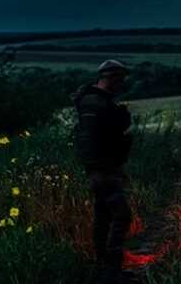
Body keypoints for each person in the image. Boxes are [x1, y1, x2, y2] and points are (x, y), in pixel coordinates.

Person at [72, 60, 133, 283]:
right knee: (121, 215)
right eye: (120, 79)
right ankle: (111, 271)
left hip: (107, 167)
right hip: (102, 170)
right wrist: (96, 170)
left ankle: (105, 269)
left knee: (104, 216)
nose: (122, 83)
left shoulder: (101, 102)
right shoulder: (93, 103)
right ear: (110, 77)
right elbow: (88, 141)